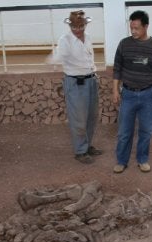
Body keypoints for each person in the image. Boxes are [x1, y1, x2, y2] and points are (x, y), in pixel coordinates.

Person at [112, 10, 152, 174]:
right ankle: (122, 161)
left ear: (146, 26)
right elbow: (117, 68)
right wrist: (115, 90)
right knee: (124, 132)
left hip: (148, 95)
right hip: (127, 94)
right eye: (131, 28)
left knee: (146, 131)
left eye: (136, 28)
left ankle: (142, 159)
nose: (133, 31)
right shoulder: (124, 44)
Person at [53, 10, 102, 164]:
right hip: (75, 82)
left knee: (91, 116)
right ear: (70, 26)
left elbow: (89, 57)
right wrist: (55, 57)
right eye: (75, 27)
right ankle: (80, 151)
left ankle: (87, 146)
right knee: (78, 118)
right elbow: (58, 57)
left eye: (81, 26)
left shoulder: (88, 38)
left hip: (91, 79)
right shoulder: (64, 40)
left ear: (85, 25)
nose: (78, 30)